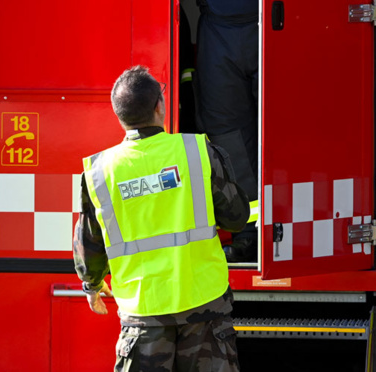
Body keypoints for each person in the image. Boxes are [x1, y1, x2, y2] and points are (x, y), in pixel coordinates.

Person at [73, 66, 249, 372]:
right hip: (203, 304)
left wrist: (92, 285)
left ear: (119, 115)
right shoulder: (196, 151)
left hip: (144, 315)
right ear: (160, 106)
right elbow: (235, 218)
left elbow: (90, 241)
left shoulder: (100, 172)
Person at [194, 0, 259, 262]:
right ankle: (248, 233)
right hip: (218, 26)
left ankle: (295, 225)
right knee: (227, 135)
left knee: (286, 127)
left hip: (280, 19)